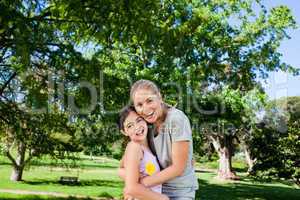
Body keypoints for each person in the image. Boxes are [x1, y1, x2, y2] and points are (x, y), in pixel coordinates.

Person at [126, 79, 199, 200]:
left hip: (179, 192)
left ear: (159, 97)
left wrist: (138, 185)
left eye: (149, 101)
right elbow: (124, 168)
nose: (145, 109)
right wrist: (132, 184)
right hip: (155, 191)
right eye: (139, 105)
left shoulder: (176, 119)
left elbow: (178, 168)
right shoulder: (147, 126)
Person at [118, 105, 169, 200]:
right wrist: (163, 199)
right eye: (130, 126)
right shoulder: (134, 147)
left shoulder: (149, 147)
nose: (137, 127)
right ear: (124, 132)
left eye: (139, 120)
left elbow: (120, 168)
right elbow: (132, 189)